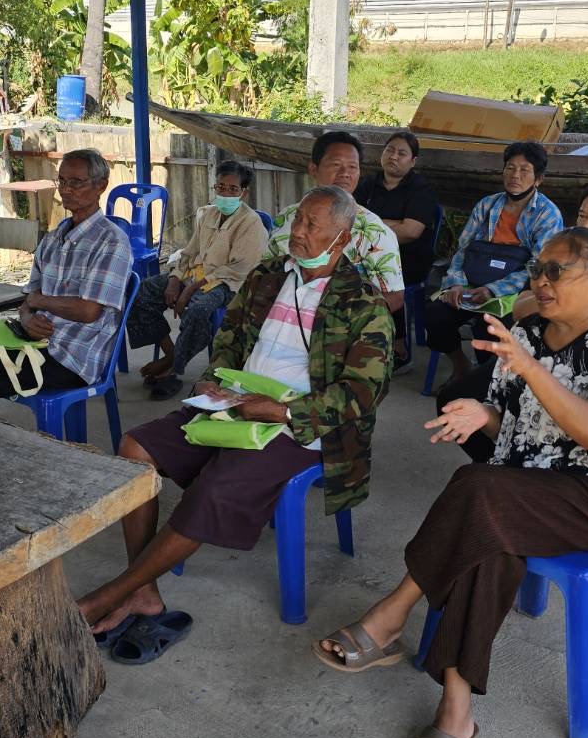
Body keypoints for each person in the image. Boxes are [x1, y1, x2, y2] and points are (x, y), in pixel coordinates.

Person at [314, 228, 588, 738]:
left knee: (478, 489)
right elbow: (508, 423)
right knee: (487, 534)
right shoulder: (525, 332)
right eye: (538, 269)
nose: (541, 282)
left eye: (557, 272)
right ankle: (457, 713)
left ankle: (395, 609)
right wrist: (481, 415)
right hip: (516, 488)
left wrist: (529, 368)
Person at [77, 187, 392, 663]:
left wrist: (281, 411)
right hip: (235, 402)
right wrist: (215, 380)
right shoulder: (270, 274)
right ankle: (145, 590)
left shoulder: (363, 303)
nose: (298, 232)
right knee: (134, 449)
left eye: (312, 225)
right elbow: (230, 336)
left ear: (342, 238)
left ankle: (113, 593)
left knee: (216, 486)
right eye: (298, 221)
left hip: (301, 425)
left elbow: (362, 395)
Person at [433, 177, 588, 465]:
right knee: (457, 403)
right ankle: (499, 467)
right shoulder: (530, 329)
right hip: (539, 366)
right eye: (582, 215)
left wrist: (534, 359)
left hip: (586, 451)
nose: (586, 223)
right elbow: (521, 308)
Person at [0, 149, 132, 408]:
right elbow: (28, 303)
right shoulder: (54, 239)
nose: (66, 189)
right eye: (62, 181)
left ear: (101, 186)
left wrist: (38, 301)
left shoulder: (111, 241)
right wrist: (28, 318)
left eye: (76, 182)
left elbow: (88, 311)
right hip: (33, 343)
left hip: (69, 359)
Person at [423, 140, 563, 383]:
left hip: (514, 291)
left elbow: (536, 266)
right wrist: (456, 284)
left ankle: (484, 381)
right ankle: (461, 365)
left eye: (524, 170)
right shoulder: (487, 205)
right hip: (470, 284)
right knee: (435, 315)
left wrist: (493, 289)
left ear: (538, 179)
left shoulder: (547, 214)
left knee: (487, 327)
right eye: (510, 168)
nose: (515, 176)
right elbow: (462, 250)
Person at [127, 160, 267, 401]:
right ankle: (170, 354)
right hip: (194, 276)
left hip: (228, 283)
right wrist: (174, 278)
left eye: (233, 189)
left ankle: (174, 369)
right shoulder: (208, 214)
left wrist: (190, 289)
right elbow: (189, 252)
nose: (225, 193)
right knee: (140, 293)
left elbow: (239, 269)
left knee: (199, 310)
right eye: (220, 187)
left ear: (244, 193)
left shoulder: (251, 223)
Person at [266, 130, 405, 314]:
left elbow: (394, 297)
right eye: (336, 165)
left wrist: (343, 322)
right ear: (313, 169)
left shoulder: (373, 231)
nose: (345, 174)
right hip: (280, 316)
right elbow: (264, 276)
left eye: (352, 167)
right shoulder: (287, 218)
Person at [355, 130, 440, 373]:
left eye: (402, 153)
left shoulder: (420, 189)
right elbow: (352, 221)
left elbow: (411, 231)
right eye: (389, 150)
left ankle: (399, 348)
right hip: (367, 252)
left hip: (410, 256)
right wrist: (391, 224)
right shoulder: (367, 185)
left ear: (412, 161)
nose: (394, 156)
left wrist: (375, 225)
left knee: (383, 275)